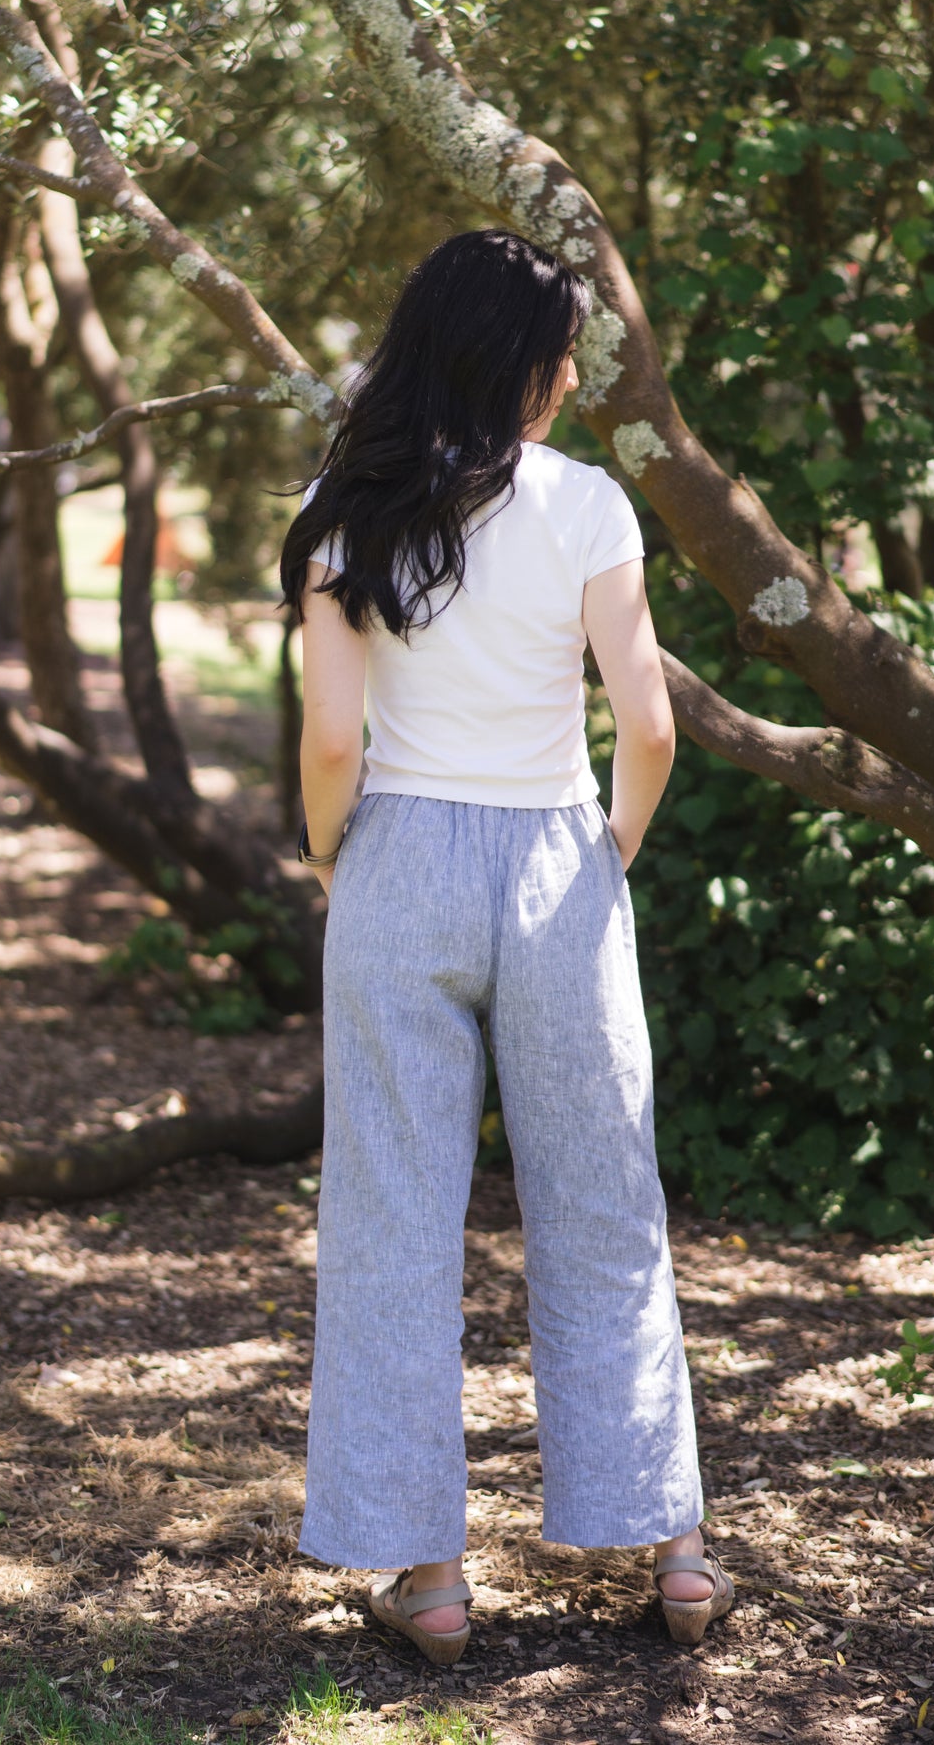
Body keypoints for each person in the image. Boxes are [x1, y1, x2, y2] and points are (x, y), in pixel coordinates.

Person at [279, 229, 732, 1666]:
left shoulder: (346, 508)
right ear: (524, 369)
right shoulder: (589, 506)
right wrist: (606, 853)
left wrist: (331, 860)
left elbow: (334, 738)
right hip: (555, 861)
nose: (565, 381)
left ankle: (428, 1581)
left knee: (392, 1225)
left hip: (400, 855)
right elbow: (647, 726)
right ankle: (674, 1550)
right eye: (559, 359)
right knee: (607, 1208)